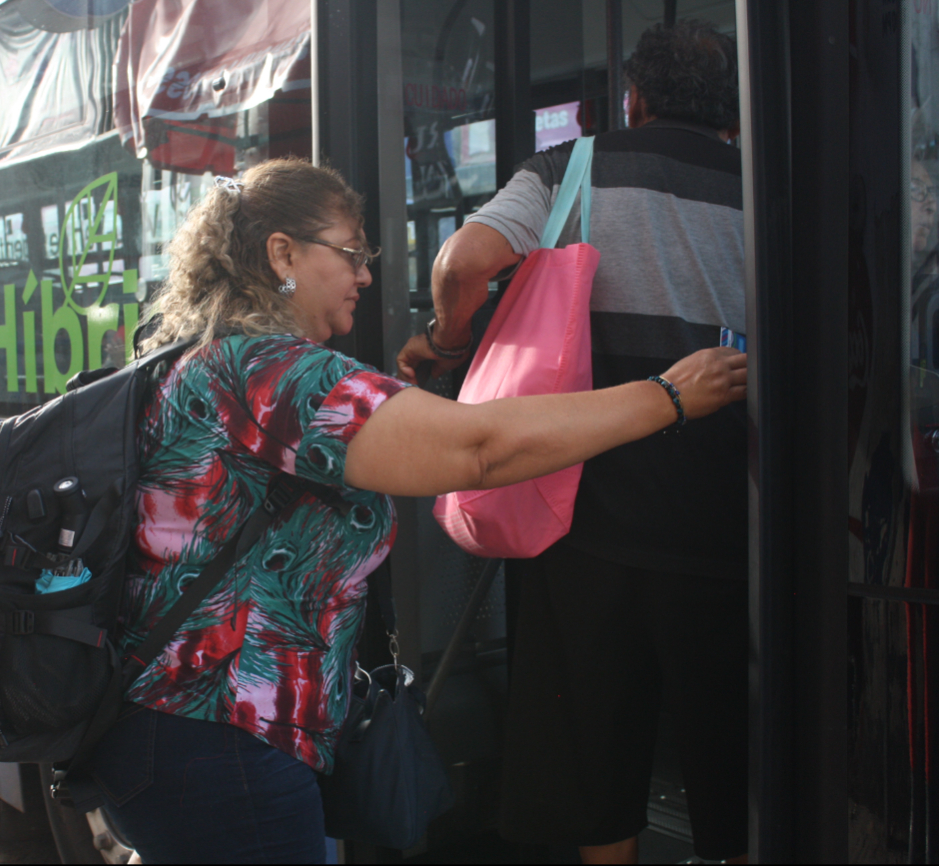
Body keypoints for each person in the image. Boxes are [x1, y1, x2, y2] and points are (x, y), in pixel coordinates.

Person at [86, 157, 745, 864]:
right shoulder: (275, 377)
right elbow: (480, 450)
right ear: (282, 253)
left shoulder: (213, 362)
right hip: (222, 738)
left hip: (183, 729)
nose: (366, 275)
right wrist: (666, 396)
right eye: (349, 253)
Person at [396, 19, 748, 866]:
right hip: (728, 518)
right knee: (729, 744)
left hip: (579, 509)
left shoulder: (571, 168)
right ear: (732, 112)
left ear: (630, 99)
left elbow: (460, 265)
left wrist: (448, 343)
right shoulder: (765, 183)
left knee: (594, 738)